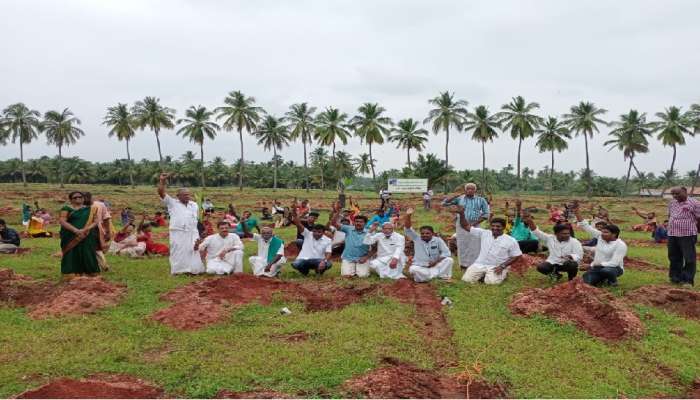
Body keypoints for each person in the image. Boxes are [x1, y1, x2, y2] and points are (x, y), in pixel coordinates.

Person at [458, 209, 522, 285]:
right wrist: (461, 213)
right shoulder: (484, 233)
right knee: (466, 280)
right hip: (480, 264)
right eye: (493, 226)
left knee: (491, 283)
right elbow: (465, 226)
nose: (495, 228)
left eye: (498, 226)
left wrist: (502, 266)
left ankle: (503, 274)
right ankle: (483, 275)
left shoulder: (511, 240)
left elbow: (517, 255)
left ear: (504, 227)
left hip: (496, 266)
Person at [158, 173, 204, 275]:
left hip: (192, 232)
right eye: (185, 195)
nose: (187, 196)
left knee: (193, 250)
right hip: (178, 232)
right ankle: (178, 271)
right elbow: (161, 192)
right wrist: (162, 181)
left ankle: (194, 270)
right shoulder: (172, 203)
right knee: (178, 251)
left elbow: (195, 219)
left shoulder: (194, 205)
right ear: (178, 196)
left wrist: (200, 232)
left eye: (188, 194)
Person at [442, 182, 490, 270]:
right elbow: (444, 203)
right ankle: (463, 265)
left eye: (472, 189)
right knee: (462, 244)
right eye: (468, 189)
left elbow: (486, 214)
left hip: (475, 224)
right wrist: (454, 196)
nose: (470, 190)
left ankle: (474, 264)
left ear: (475, 190)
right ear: (465, 190)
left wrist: (474, 224)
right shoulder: (459, 199)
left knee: (475, 245)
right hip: (461, 224)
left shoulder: (481, 200)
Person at [574, 207, 627, 286]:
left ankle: (613, 281)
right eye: (602, 232)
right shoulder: (600, 237)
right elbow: (586, 226)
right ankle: (601, 279)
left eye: (606, 232)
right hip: (597, 268)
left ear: (614, 234)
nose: (602, 234)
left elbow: (614, 263)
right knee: (586, 280)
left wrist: (591, 265)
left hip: (615, 268)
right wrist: (577, 212)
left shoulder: (620, 245)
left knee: (607, 271)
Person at [524, 216, 583, 282]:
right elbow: (536, 232)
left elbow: (579, 256)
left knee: (572, 264)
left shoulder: (574, 241)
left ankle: (571, 279)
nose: (567, 235)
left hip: (566, 263)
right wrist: (530, 221)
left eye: (568, 233)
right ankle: (556, 276)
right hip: (553, 262)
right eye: (564, 234)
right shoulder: (550, 238)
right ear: (556, 234)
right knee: (541, 267)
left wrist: (571, 256)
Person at [404, 208, 453, 283]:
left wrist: (435, 262)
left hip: (435, 266)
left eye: (427, 233)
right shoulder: (417, 238)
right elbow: (408, 229)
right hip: (421, 267)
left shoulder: (437, 240)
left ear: (432, 234)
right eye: (422, 233)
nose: (424, 235)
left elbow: (446, 253)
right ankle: (435, 277)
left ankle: (430, 277)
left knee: (449, 260)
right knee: (413, 269)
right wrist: (408, 215)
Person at [59, 191, 100, 276]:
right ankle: (70, 272)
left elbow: (96, 221)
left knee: (87, 252)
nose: (78, 198)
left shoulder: (91, 209)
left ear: (83, 198)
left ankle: (90, 271)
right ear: (71, 200)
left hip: (87, 234)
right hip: (71, 235)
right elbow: (62, 221)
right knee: (71, 252)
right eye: (75, 197)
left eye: (80, 197)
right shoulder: (66, 208)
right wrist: (75, 230)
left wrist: (86, 229)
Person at [667, 187, 700, 286]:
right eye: (673, 194)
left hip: (687, 234)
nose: (675, 196)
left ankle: (687, 280)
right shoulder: (672, 203)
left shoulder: (695, 203)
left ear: (685, 191)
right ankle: (675, 277)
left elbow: (699, 218)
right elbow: (670, 216)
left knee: (689, 258)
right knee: (674, 257)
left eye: (677, 193)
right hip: (672, 234)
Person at [290, 208, 333, 276]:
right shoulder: (308, 234)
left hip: (318, 260)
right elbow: (298, 224)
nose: (316, 233)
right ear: (312, 231)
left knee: (328, 264)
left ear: (323, 232)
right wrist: (294, 214)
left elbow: (328, 253)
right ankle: (304, 271)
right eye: (315, 231)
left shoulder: (328, 240)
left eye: (319, 232)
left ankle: (319, 271)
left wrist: (324, 261)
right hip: (304, 259)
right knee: (295, 264)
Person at [331, 208, 370, 278]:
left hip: (362, 258)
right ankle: (353, 269)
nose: (358, 223)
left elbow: (375, 248)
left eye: (361, 222)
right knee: (346, 275)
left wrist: (366, 257)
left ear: (365, 223)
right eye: (357, 221)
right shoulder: (348, 229)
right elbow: (333, 223)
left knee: (363, 276)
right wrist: (337, 211)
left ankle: (359, 269)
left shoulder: (369, 232)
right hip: (348, 257)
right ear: (354, 222)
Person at [84, 192, 113, 271]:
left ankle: (103, 265)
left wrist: (107, 231)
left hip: (95, 230)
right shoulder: (79, 206)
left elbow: (106, 218)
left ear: (91, 198)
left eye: (87, 198)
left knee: (96, 248)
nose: (85, 200)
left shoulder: (100, 205)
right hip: (81, 230)